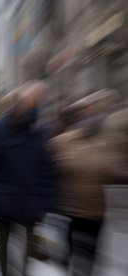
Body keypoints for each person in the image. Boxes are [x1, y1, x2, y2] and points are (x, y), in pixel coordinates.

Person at [0, 81, 57, 276]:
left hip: (31, 208)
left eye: (34, 102)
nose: (29, 105)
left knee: (28, 257)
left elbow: (46, 170)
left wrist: (45, 203)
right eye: (26, 100)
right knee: (3, 252)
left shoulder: (39, 134)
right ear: (17, 102)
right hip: (4, 205)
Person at [50, 90, 122, 276]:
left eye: (98, 111)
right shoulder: (62, 142)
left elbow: (118, 171)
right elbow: (47, 171)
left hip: (96, 212)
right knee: (67, 257)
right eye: (89, 112)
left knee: (89, 260)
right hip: (68, 210)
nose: (94, 116)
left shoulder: (111, 143)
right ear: (79, 116)